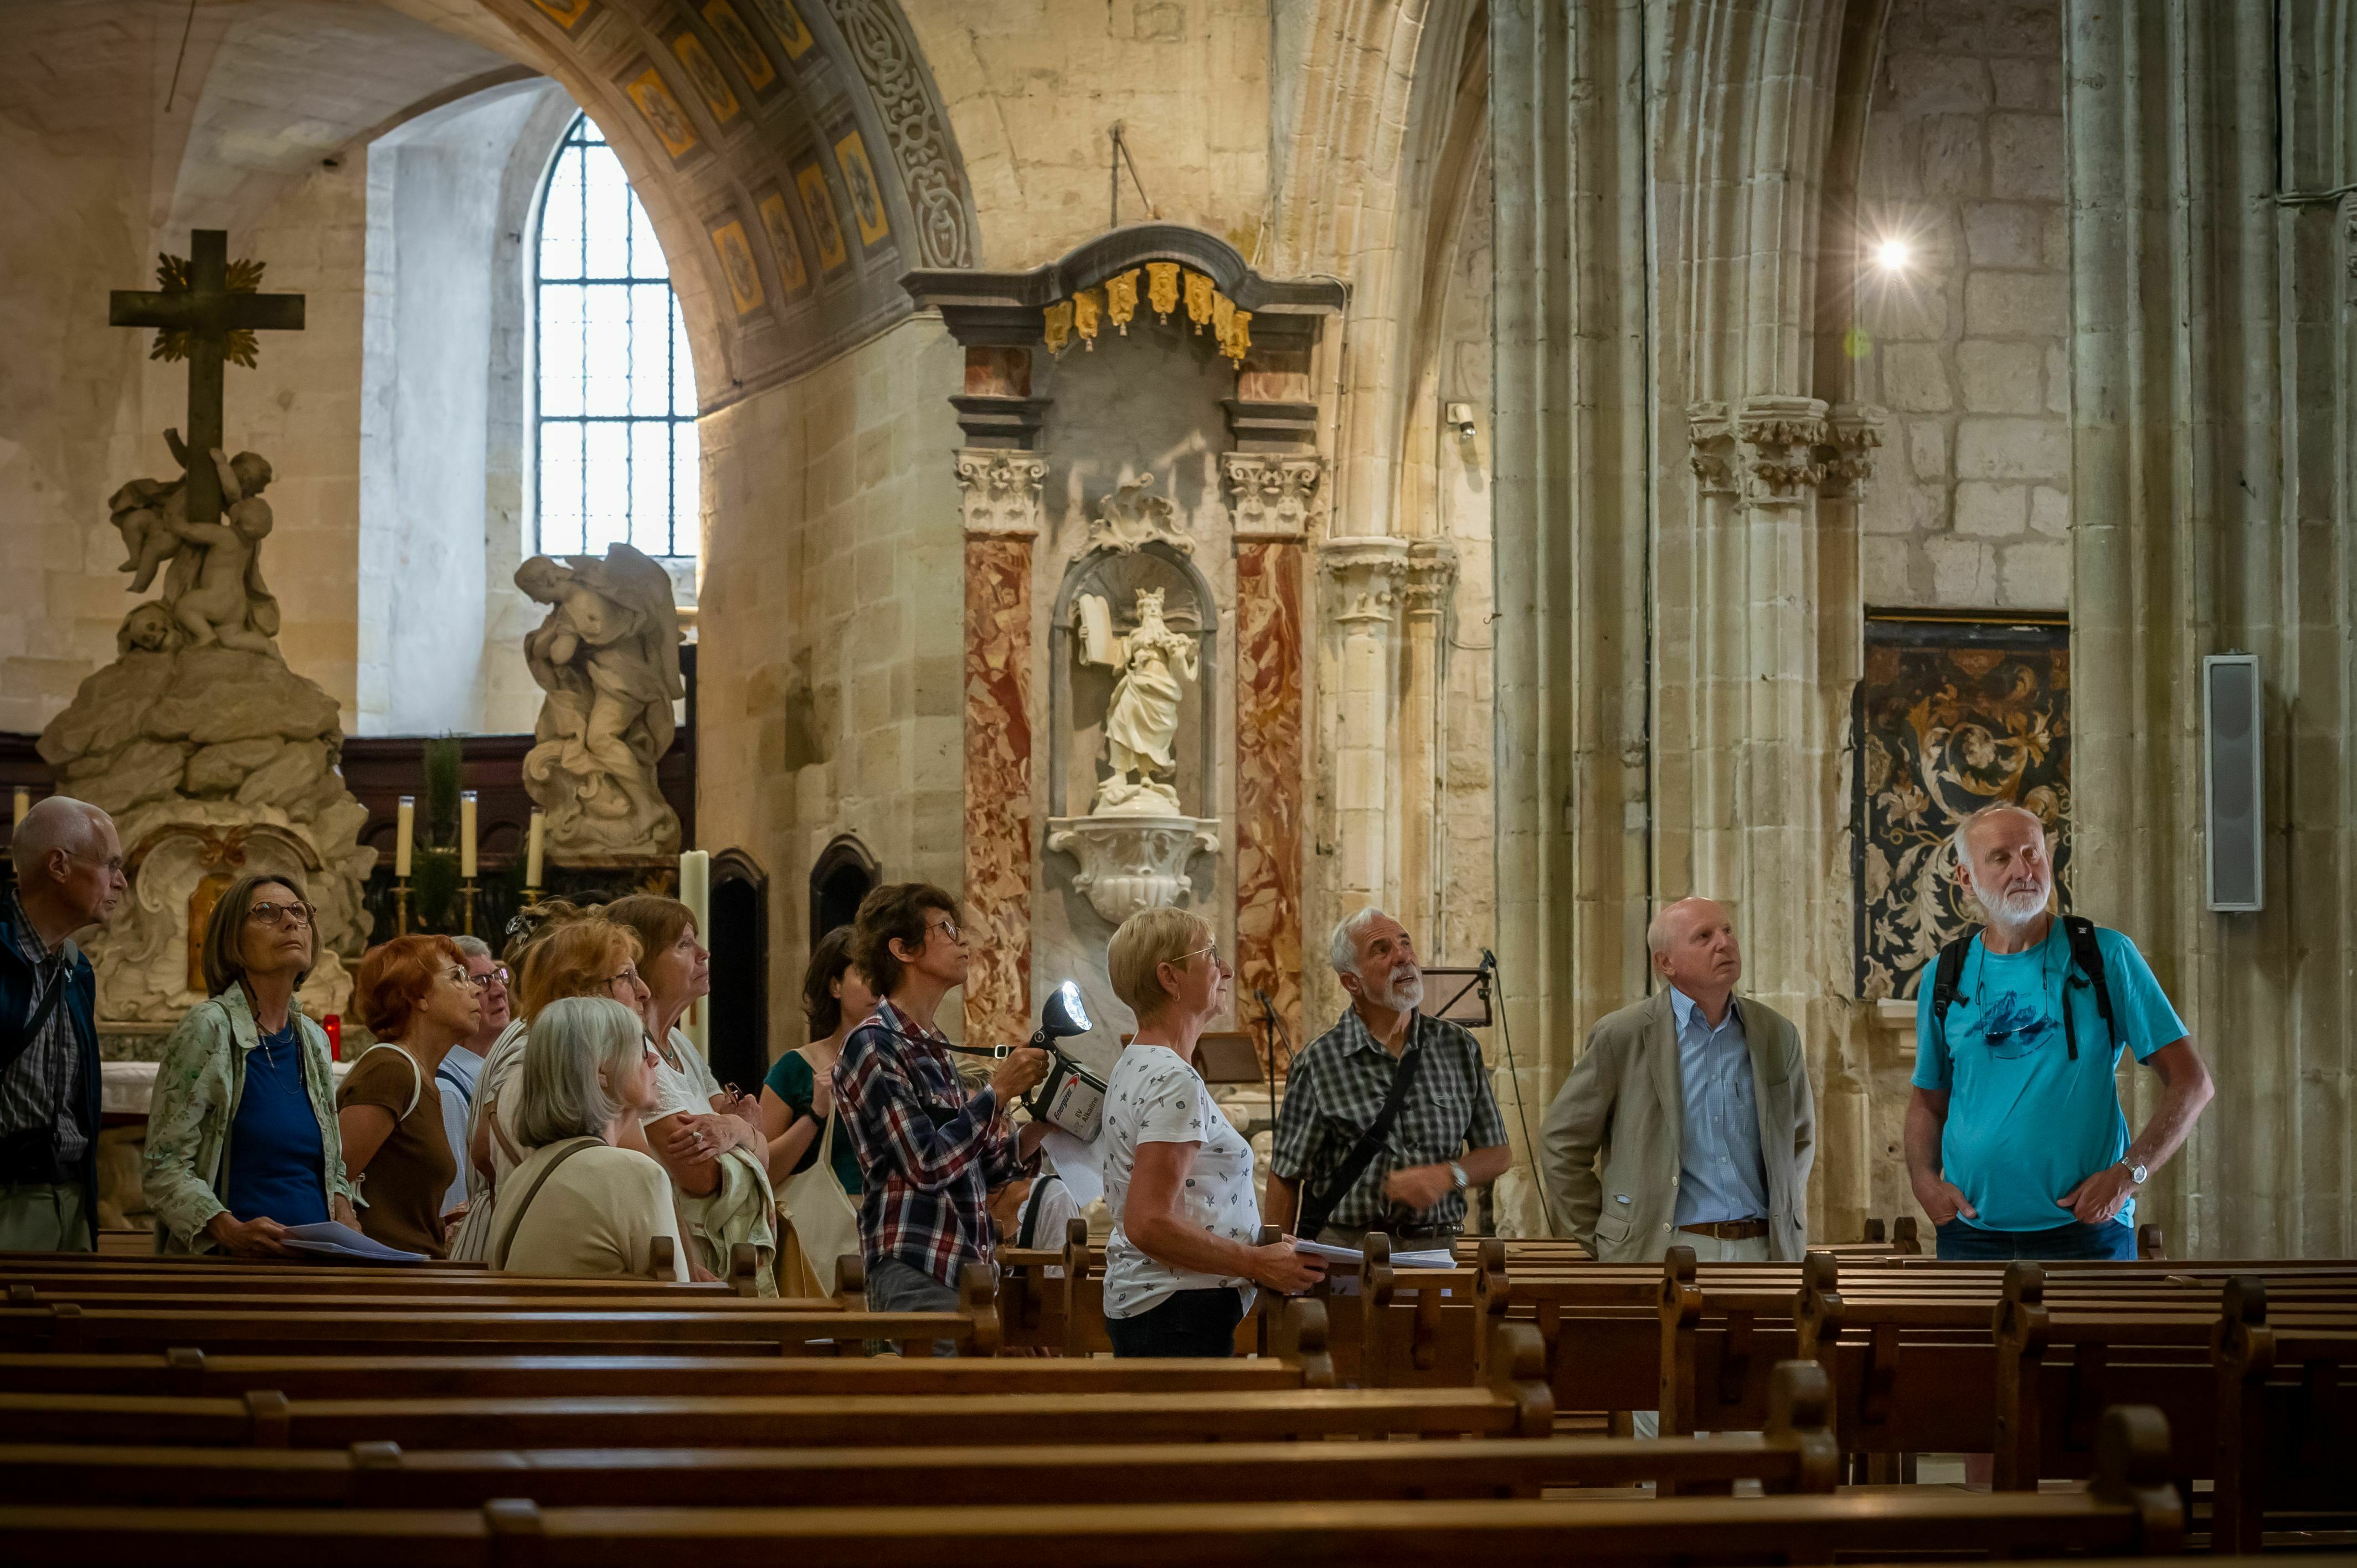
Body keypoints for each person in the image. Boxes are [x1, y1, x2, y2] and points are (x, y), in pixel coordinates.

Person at [1908, 803, 2214, 1261]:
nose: (2023, 870)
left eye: (2033, 854)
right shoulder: (1944, 974)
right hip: (1971, 1236)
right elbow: (1928, 1103)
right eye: (2001, 858)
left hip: (2086, 1232)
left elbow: (2192, 1083)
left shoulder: (2106, 956)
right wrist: (1923, 1182)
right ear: (1966, 879)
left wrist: (2129, 1175)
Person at [1538, 897, 1816, 1265]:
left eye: (1727, 930)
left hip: (1765, 1250)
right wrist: (1611, 1235)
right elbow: (1562, 1142)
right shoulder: (1624, 1035)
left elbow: (1799, 1139)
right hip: (1668, 1248)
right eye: (1704, 936)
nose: (1724, 942)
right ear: (1665, 962)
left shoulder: (1776, 1034)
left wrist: (1784, 1212)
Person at [1097, 908, 1324, 1357]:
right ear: (1170, 977)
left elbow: (1192, 1201)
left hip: (1166, 1305)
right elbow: (1150, 1222)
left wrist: (1257, 1240)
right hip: (1176, 1310)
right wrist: (1257, 1263)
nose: (1228, 969)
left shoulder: (1139, 1063)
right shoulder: (1172, 1078)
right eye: (1211, 954)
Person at [833, 882, 1049, 1325]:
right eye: (947, 929)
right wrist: (998, 1092)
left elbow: (984, 1170)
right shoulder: (874, 1044)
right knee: (937, 1393)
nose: (963, 941)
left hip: (969, 1263)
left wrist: (1045, 1125)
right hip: (917, 1263)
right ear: (903, 949)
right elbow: (926, 1163)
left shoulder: (933, 1047)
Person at [1267, 908, 1511, 1250]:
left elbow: (1498, 1153)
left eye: (1405, 943)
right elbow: (1285, 1175)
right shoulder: (1319, 1062)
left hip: (1437, 1249)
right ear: (1352, 982)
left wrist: (1446, 1176)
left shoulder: (1458, 1048)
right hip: (1349, 1250)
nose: (1403, 956)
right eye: (1381, 950)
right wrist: (1274, 1261)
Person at [143, 873, 359, 1255]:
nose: (291, 922)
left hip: (316, 1262)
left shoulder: (313, 1040)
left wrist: (344, 1209)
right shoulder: (210, 1028)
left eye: (299, 912)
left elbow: (331, 1165)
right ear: (232, 939)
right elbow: (164, 1166)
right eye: (266, 912)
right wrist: (228, 1231)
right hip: (233, 1268)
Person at [446, 912, 651, 1264]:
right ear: (584, 990)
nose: (644, 991)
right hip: (566, 1278)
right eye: (627, 977)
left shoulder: (558, 1057)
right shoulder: (544, 1063)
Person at [604, 895, 776, 1290]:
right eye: (684, 944)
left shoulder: (682, 1047)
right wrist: (748, 1135)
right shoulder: (636, 1055)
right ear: (642, 962)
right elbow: (701, 1176)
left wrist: (737, 1130)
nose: (704, 953)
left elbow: (762, 1152)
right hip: (681, 1256)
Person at [1, 796, 125, 1251]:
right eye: (111, 865)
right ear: (59, 865)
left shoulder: (77, 969)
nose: (122, 883)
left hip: (72, 1201)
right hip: (9, 1200)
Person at [495, 995, 687, 1281]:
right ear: (601, 1070)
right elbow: (681, 1308)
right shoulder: (635, 1174)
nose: (654, 1059)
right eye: (641, 1048)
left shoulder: (519, 1180)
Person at [339, 935, 478, 1258]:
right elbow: (332, 1176)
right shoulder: (390, 1070)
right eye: (458, 976)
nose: (476, 989)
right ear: (418, 997)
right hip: (382, 1280)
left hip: (410, 1272)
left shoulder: (419, 1073)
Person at [761, 925, 874, 1294]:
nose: (878, 986)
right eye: (864, 972)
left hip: (890, 1237)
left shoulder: (903, 1069)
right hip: (821, 1239)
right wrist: (815, 1115)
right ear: (835, 986)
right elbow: (761, 1172)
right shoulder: (796, 1068)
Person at [436, 935, 510, 1216]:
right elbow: (454, 1212)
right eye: (481, 982)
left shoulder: (492, 1071)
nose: (499, 990)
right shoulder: (449, 1091)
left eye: (498, 976)